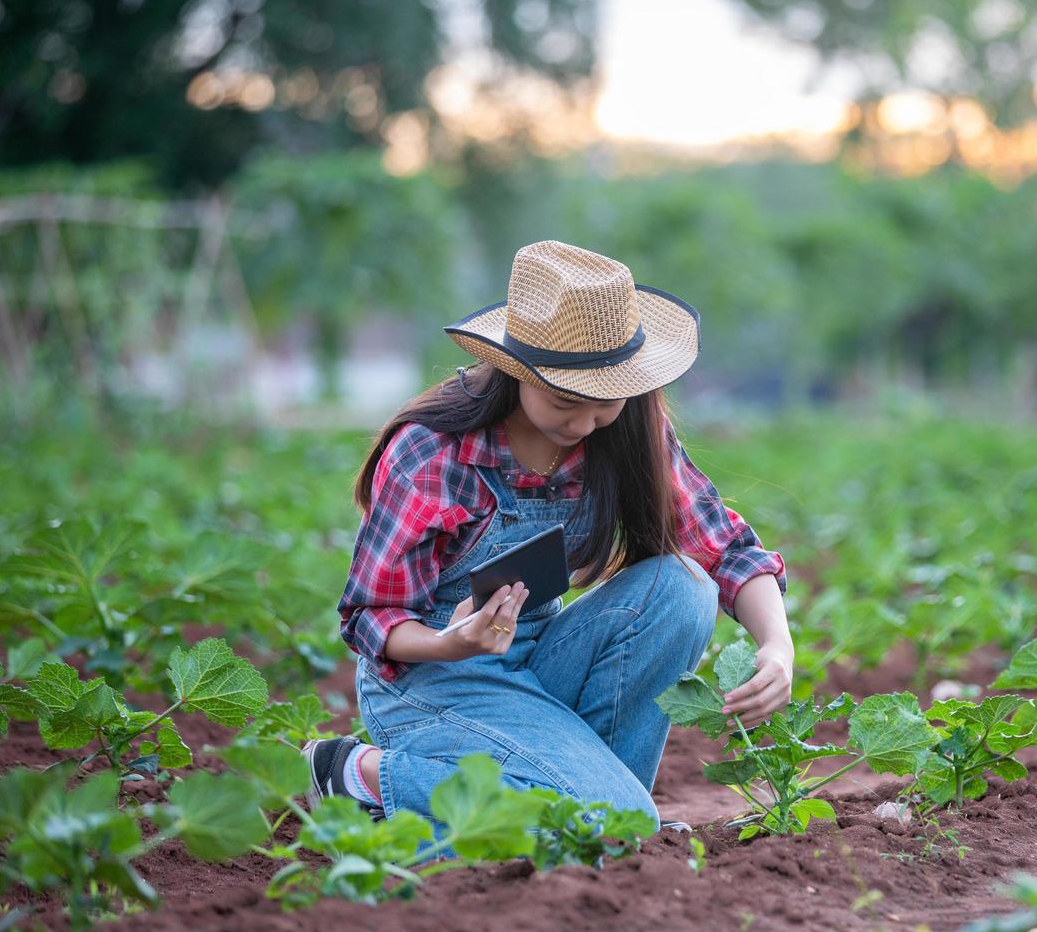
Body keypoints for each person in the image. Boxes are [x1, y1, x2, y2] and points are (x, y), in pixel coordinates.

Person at [301, 240, 793, 853]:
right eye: (565, 403)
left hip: (536, 662)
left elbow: (725, 547)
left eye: (605, 404)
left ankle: (598, 816)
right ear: (517, 372)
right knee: (612, 828)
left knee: (680, 586)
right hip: (430, 679)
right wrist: (449, 642)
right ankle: (361, 775)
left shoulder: (634, 433)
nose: (585, 425)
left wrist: (777, 645)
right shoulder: (435, 451)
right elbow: (371, 616)